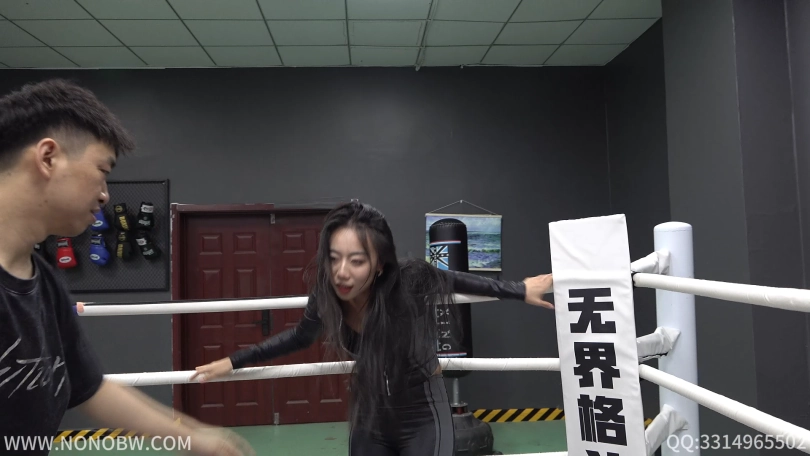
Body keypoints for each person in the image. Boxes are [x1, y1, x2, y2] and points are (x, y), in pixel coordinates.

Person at [0, 79, 255, 456]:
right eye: (102, 170)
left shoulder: (44, 282)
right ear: (48, 158)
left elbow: (91, 387)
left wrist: (196, 437)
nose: (105, 194)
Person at [192, 201, 554, 456]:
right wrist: (234, 361)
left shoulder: (409, 280)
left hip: (422, 412)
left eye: (356, 261)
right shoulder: (327, 294)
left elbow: (462, 281)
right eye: (334, 258)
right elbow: (300, 337)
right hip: (370, 416)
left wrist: (520, 289)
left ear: (379, 264)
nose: (341, 273)